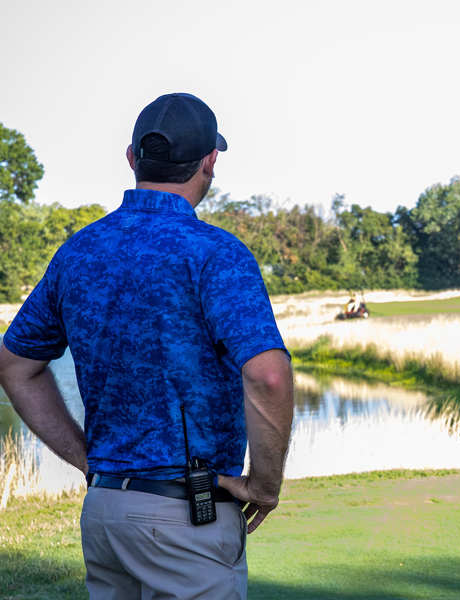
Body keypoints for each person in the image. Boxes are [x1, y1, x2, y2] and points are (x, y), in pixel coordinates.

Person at [0, 93, 294, 600]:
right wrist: (264, 487)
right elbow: (269, 376)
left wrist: (91, 460)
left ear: (133, 157)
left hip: (105, 513)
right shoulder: (215, 253)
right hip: (187, 520)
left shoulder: (79, 251)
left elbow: (14, 365)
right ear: (210, 161)